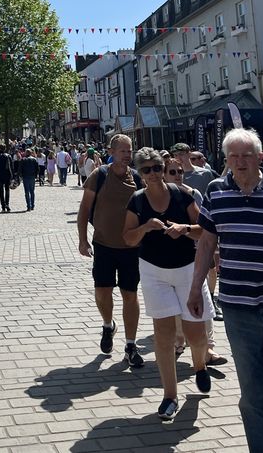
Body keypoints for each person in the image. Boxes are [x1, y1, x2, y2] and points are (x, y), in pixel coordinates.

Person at [187, 128, 263, 453]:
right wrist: (196, 288)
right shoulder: (215, 192)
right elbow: (207, 242)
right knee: (252, 397)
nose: (240, 162)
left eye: (246, 155)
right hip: (240, 311)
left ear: (260, 157)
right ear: (226, 160)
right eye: (233, 156)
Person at [123, 148, 213, 422]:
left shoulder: (182, 195)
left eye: (156, 168)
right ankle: (169, 397)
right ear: (139, 173)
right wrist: (144, 228)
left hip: (187, 270)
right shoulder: (137, 201)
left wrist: (184, 229)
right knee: (163, 335)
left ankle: (199, 366)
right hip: (153, 271)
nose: (152, 174)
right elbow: (127, 238)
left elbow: (205, 231)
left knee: (195, 335)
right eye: (146, 170)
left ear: (163, 169)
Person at [77, 134, 144, 368]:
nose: (127, 154)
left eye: (130, 150)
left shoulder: (137, 178)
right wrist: (82, 240)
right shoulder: (100, 175)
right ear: (111, 151)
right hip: (103, 245)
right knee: (102, 293)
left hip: (130, 247)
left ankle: (130, 345)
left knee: (130, 295)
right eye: (123, 150)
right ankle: (108, 325)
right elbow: (84, 209)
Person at [163, 158, 226, 366]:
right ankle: (179, 341)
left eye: (180, 171)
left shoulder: (192, 194)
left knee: (205, 306)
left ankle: (208, 350)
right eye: (172, 172)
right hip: (166, 262)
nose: (178, 175)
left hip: (193, 257)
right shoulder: (157, 198)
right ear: (164, 175)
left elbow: (205, 227)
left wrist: (190, 233)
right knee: (177, 309)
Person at [0, 145, 13, 213]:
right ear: (5, 149)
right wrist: (12, 175)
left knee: (1, 191)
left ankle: (3, 206)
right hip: (7, 175)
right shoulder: (8, 156)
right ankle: (7, 204)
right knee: (7, 190)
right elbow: (11, 166)